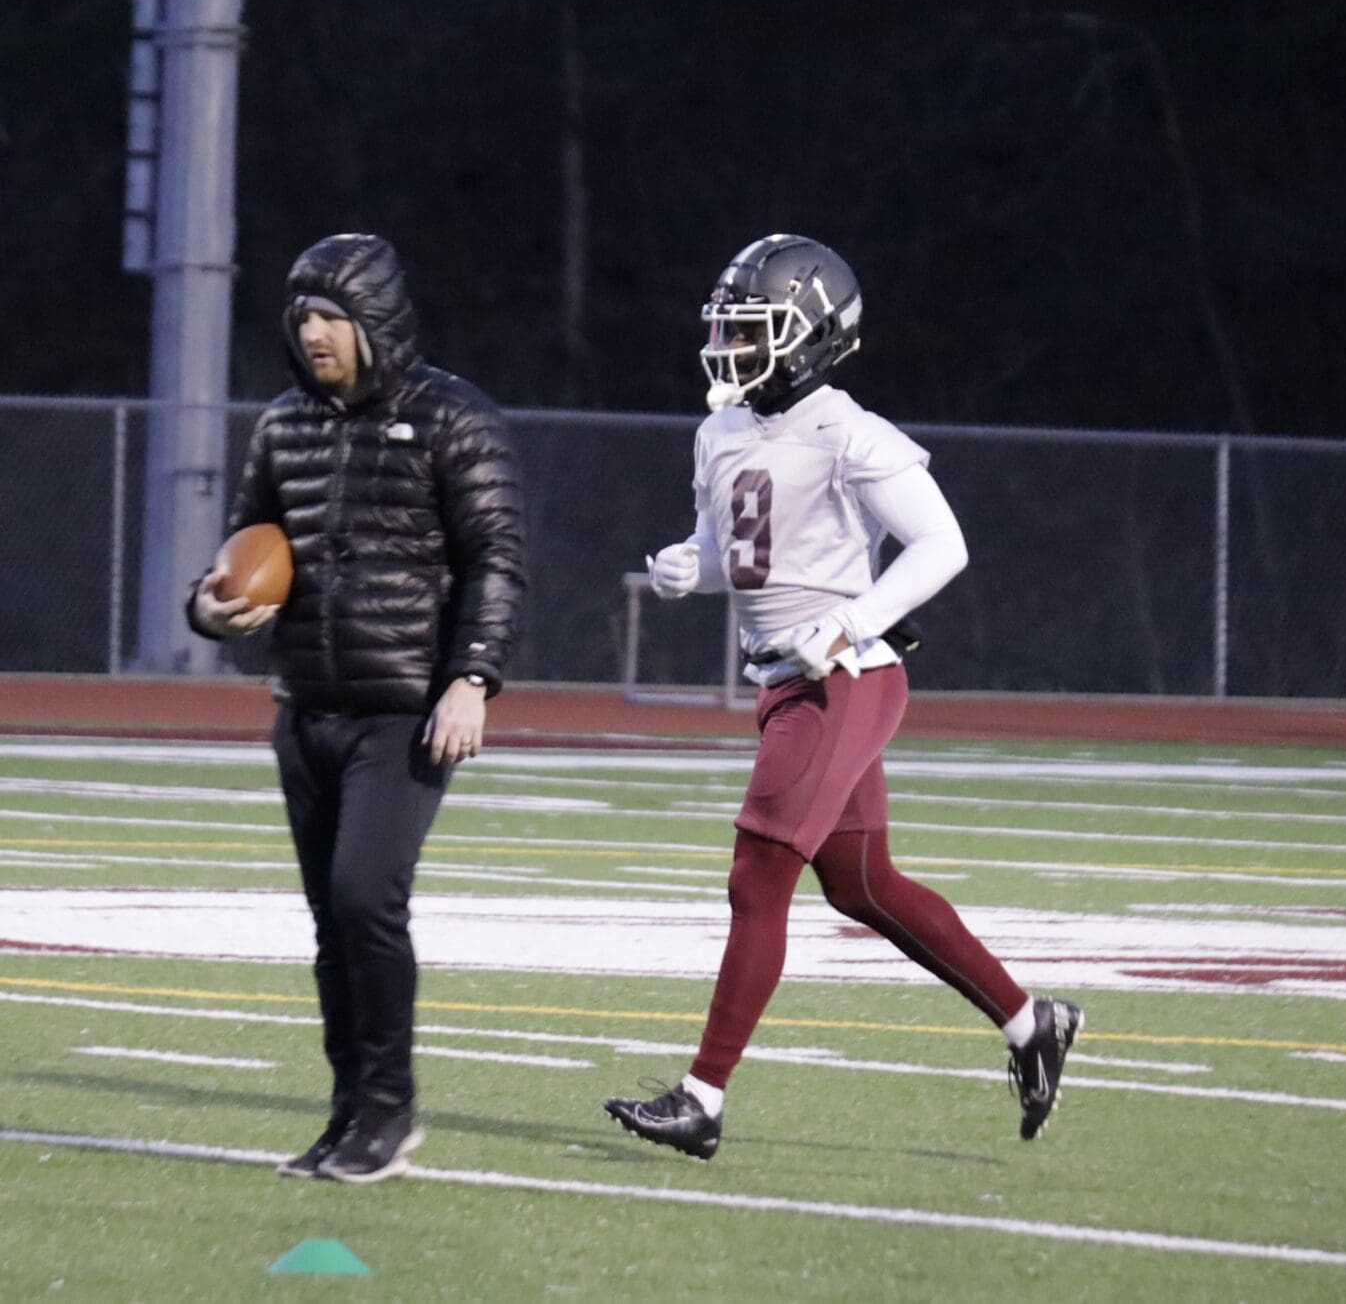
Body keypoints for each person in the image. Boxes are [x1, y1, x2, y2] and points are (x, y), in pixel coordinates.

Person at [603, 234, 1081, 1160]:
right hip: (786, 684)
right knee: (863, 885)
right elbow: (739, 556)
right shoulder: (721, 431)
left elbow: (944, 546)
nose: (733, 350)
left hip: (845, 680)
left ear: (814, 335)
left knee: (757, 877)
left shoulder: (847, 430)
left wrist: (852, 624)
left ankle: (702, 1097)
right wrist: (687, 568)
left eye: (756, 332)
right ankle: (1033, 1025)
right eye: (729, 331)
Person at [187, 233, 525, 1183]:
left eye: (332, 315)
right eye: (302, 317)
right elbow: (241, 553)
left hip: (403, 708)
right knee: (328, 922)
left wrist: (474, 676)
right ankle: (348, 1109)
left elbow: (496, 557)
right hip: (306, 703)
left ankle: (389, 1107)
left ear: (374, 321)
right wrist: (208, 607)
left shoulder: (455, 418)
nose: (315, 333)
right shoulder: (282, 425)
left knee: (364, 898)